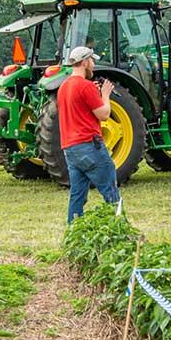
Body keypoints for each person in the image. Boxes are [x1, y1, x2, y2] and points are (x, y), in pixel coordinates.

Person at [57, 45, 120, 222]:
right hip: (89, 145)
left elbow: (77, 108)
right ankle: (118, 228)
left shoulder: (63, 87)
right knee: (110, 190)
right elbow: (104, 114)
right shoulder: (86, 87)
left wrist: (93, 93)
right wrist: (105, 95)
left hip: (70, 149)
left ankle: (74, 230)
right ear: (84, 62)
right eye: (92, 61)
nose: (93, 65)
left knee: (77, 195)